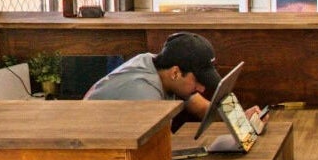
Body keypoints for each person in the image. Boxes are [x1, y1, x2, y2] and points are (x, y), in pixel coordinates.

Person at [84, 31, 224, 124]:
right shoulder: (145, 95)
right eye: (198, 80)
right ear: (175, 73)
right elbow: (155, 151)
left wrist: (241, 119)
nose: (202, 87)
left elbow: (201, 108)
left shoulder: (158, 64)